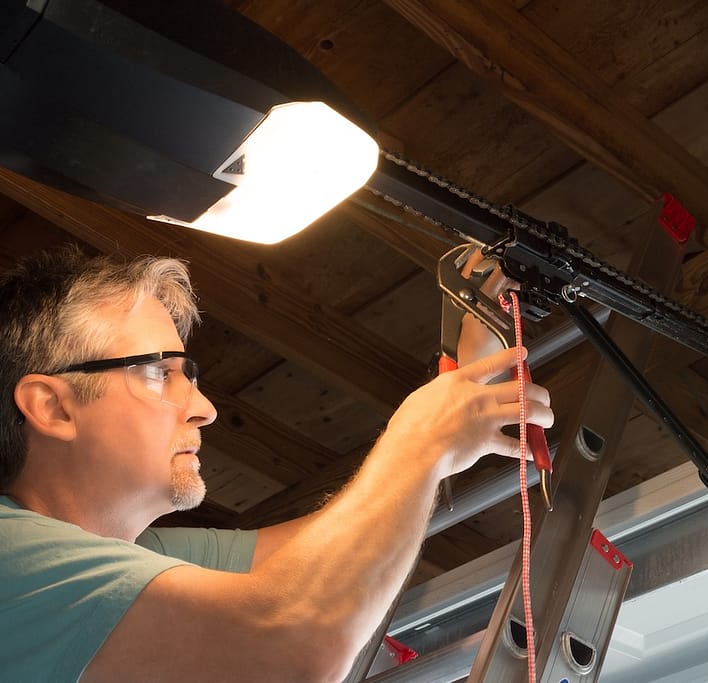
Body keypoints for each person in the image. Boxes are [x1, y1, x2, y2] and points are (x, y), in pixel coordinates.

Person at [0, 245, 553, 682]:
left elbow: (342, 550)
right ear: (53, 407)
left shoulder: (139, 557)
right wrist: (420, 443)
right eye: (157, 373)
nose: (204, 408)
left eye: (188, 375)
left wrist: (458, 389)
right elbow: (295, 642)